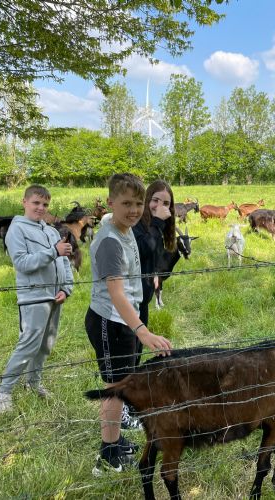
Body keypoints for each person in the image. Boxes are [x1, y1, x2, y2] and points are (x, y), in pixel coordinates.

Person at [85, 173, 172, 475]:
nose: (134, 210)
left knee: (122, 383)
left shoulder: (126, 228)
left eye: (138, 203)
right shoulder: (111, 241)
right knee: (115, 389)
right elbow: (116, 293)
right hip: (111, 322)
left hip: (124, 320)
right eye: (126, 204)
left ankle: (115, 439)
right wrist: (142, 331)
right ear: (111, 202)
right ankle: (108, 454)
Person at [0, 185, 74, 414]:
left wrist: (66, 288)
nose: (41, 208)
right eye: (36, 203)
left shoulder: (51, 231)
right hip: (33, 297)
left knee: (46, 345)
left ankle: (33, 383)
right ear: (24, 202)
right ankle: (3, 392)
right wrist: (53, 252)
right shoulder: (17, 229)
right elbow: (22, 263)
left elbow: (64, 261)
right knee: (28, 345)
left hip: (55, 296)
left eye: (45, 204)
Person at [132, 179, 176, 327]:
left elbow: (155, 252)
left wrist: (155, 271)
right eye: (155, 200)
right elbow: (140, 250)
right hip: (127, 302)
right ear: (147, 200)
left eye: (166, 203)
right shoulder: (136, 223)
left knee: (140, 339)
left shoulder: (155, 225)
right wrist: (157, 222)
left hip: (142, 299)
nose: (159, 207)